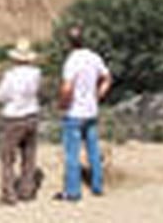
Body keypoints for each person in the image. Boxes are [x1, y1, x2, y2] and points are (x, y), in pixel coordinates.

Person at [55, 25, 111, 202]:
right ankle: (97, 186)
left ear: (68, 43)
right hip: (91, 111)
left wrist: (63, 104)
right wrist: (98, 95)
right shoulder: (94, 57)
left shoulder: (71, 61)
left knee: (72, 153)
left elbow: (66, 87)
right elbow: (107, 78)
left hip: (75, 112)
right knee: (93, 150)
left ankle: (73, 192)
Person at [0, 38, 43, 205]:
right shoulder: (36, 73)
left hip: (14, 118)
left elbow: (0, 95)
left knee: (7, 157)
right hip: (32, 115)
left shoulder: (11, 76)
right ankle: (27, 191)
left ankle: (9, 194)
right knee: (29, 155)